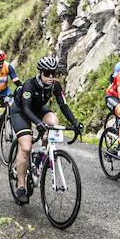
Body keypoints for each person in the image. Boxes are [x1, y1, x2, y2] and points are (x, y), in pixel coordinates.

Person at [9, 56, 83, 203]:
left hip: (37, 109)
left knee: (53, 121)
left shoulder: (56, 86)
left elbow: (63, 106)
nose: (50, 77)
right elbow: (26, 108)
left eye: (53, 74)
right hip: (21, 111)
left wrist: (75, 122)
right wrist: (37, 123)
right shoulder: (30, 85)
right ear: (40, 73)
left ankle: (42, 152)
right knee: (26, 147)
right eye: (47, 74)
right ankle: (21, 186)